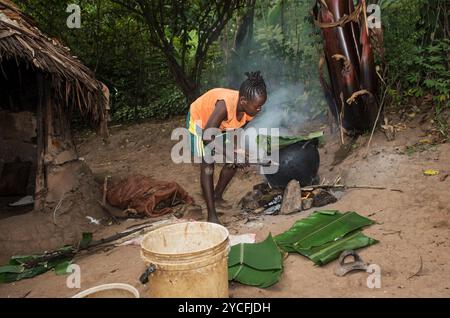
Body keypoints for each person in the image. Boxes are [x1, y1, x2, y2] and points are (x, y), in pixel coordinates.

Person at [186, 71, 267, 224]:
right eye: (257, 107)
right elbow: (206, 137)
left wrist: (236, 153)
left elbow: (238, 129)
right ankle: (211, 214)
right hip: (201, 122)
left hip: (221, 125)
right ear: (243, 101)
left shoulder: (250, 109)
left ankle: (216, 196)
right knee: (207, 163)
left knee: (234, 159)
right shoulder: (224, 105)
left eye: (261, 106)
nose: (260, 110)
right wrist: (232, 154)